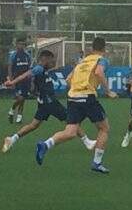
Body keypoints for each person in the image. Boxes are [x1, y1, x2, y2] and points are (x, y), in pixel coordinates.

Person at [35, 37, 117, 174]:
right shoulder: (101, 60)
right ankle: (97, 162)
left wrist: (78, 90)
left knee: (70, 132)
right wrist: (108, 91)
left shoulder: (82, 61)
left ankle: (45, 144)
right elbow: (98, 72)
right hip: (87, 97)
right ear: (104, 49)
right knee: (104, 129)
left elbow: (68, 80)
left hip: (73, 97)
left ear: (91, 48)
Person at [1, 49, 97, 153]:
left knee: (34, 125)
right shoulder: (38, 68)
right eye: (52, 61)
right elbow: (25, 75)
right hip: (49, 101)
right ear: (45, 59)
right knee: (71, 121)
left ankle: (11, 139)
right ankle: (87, 142)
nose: (53, 63)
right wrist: (12, 82)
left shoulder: (44, 69)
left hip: (44, 103)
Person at [7, 39, 32, 124]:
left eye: (23, 44)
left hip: (26, 80)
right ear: (16, 45)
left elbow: (29, 68)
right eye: (20, 44)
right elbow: (10, 67)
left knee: (23, 98)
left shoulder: (27, 55)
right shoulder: (13, 55)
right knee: (20, 98)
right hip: (17, 79)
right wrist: (11, 80)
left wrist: (31, 79)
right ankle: (12, 110)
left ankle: (19, 117)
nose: (21, 46)